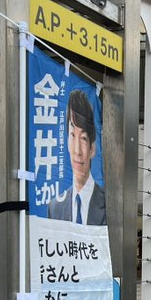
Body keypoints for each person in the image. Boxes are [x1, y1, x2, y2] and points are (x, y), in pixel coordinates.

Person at [47, 90, 106, 226]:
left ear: (92, 148)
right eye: (72, 135)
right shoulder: (54, 208)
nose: (77, 150)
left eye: (84, 138)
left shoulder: (108, 205)